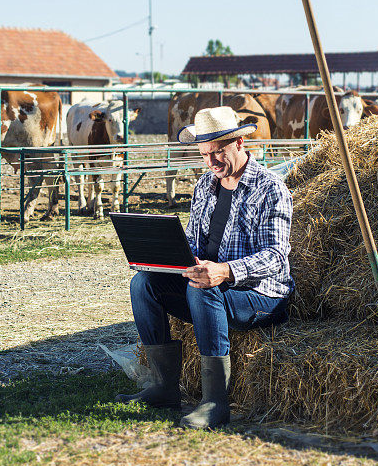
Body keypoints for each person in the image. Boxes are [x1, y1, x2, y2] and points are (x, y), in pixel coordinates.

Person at [116, 106, 293, 429]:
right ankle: (164, 387)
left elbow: (277, 257)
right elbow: (193, 245)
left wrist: (224, 270)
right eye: (204, 155)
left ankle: (215, 402)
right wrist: (172, 261)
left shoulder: (271, 188)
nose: (211, 162)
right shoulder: (204, 187)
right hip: (211, 285)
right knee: (143, 284)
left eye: (218, 153)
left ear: (240, 144)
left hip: (262, 294)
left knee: (205, 290)